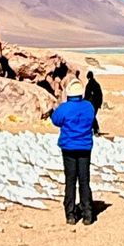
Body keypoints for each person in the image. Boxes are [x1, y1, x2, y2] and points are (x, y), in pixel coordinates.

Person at [49, 78, 100, 224]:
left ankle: (70, 214)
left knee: (70, 181)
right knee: (84, 181)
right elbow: (91, 119)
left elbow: (56, 120)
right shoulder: (88, 107)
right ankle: (87, 214)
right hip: (84, 148)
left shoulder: (65, 108)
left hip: (69, 148)